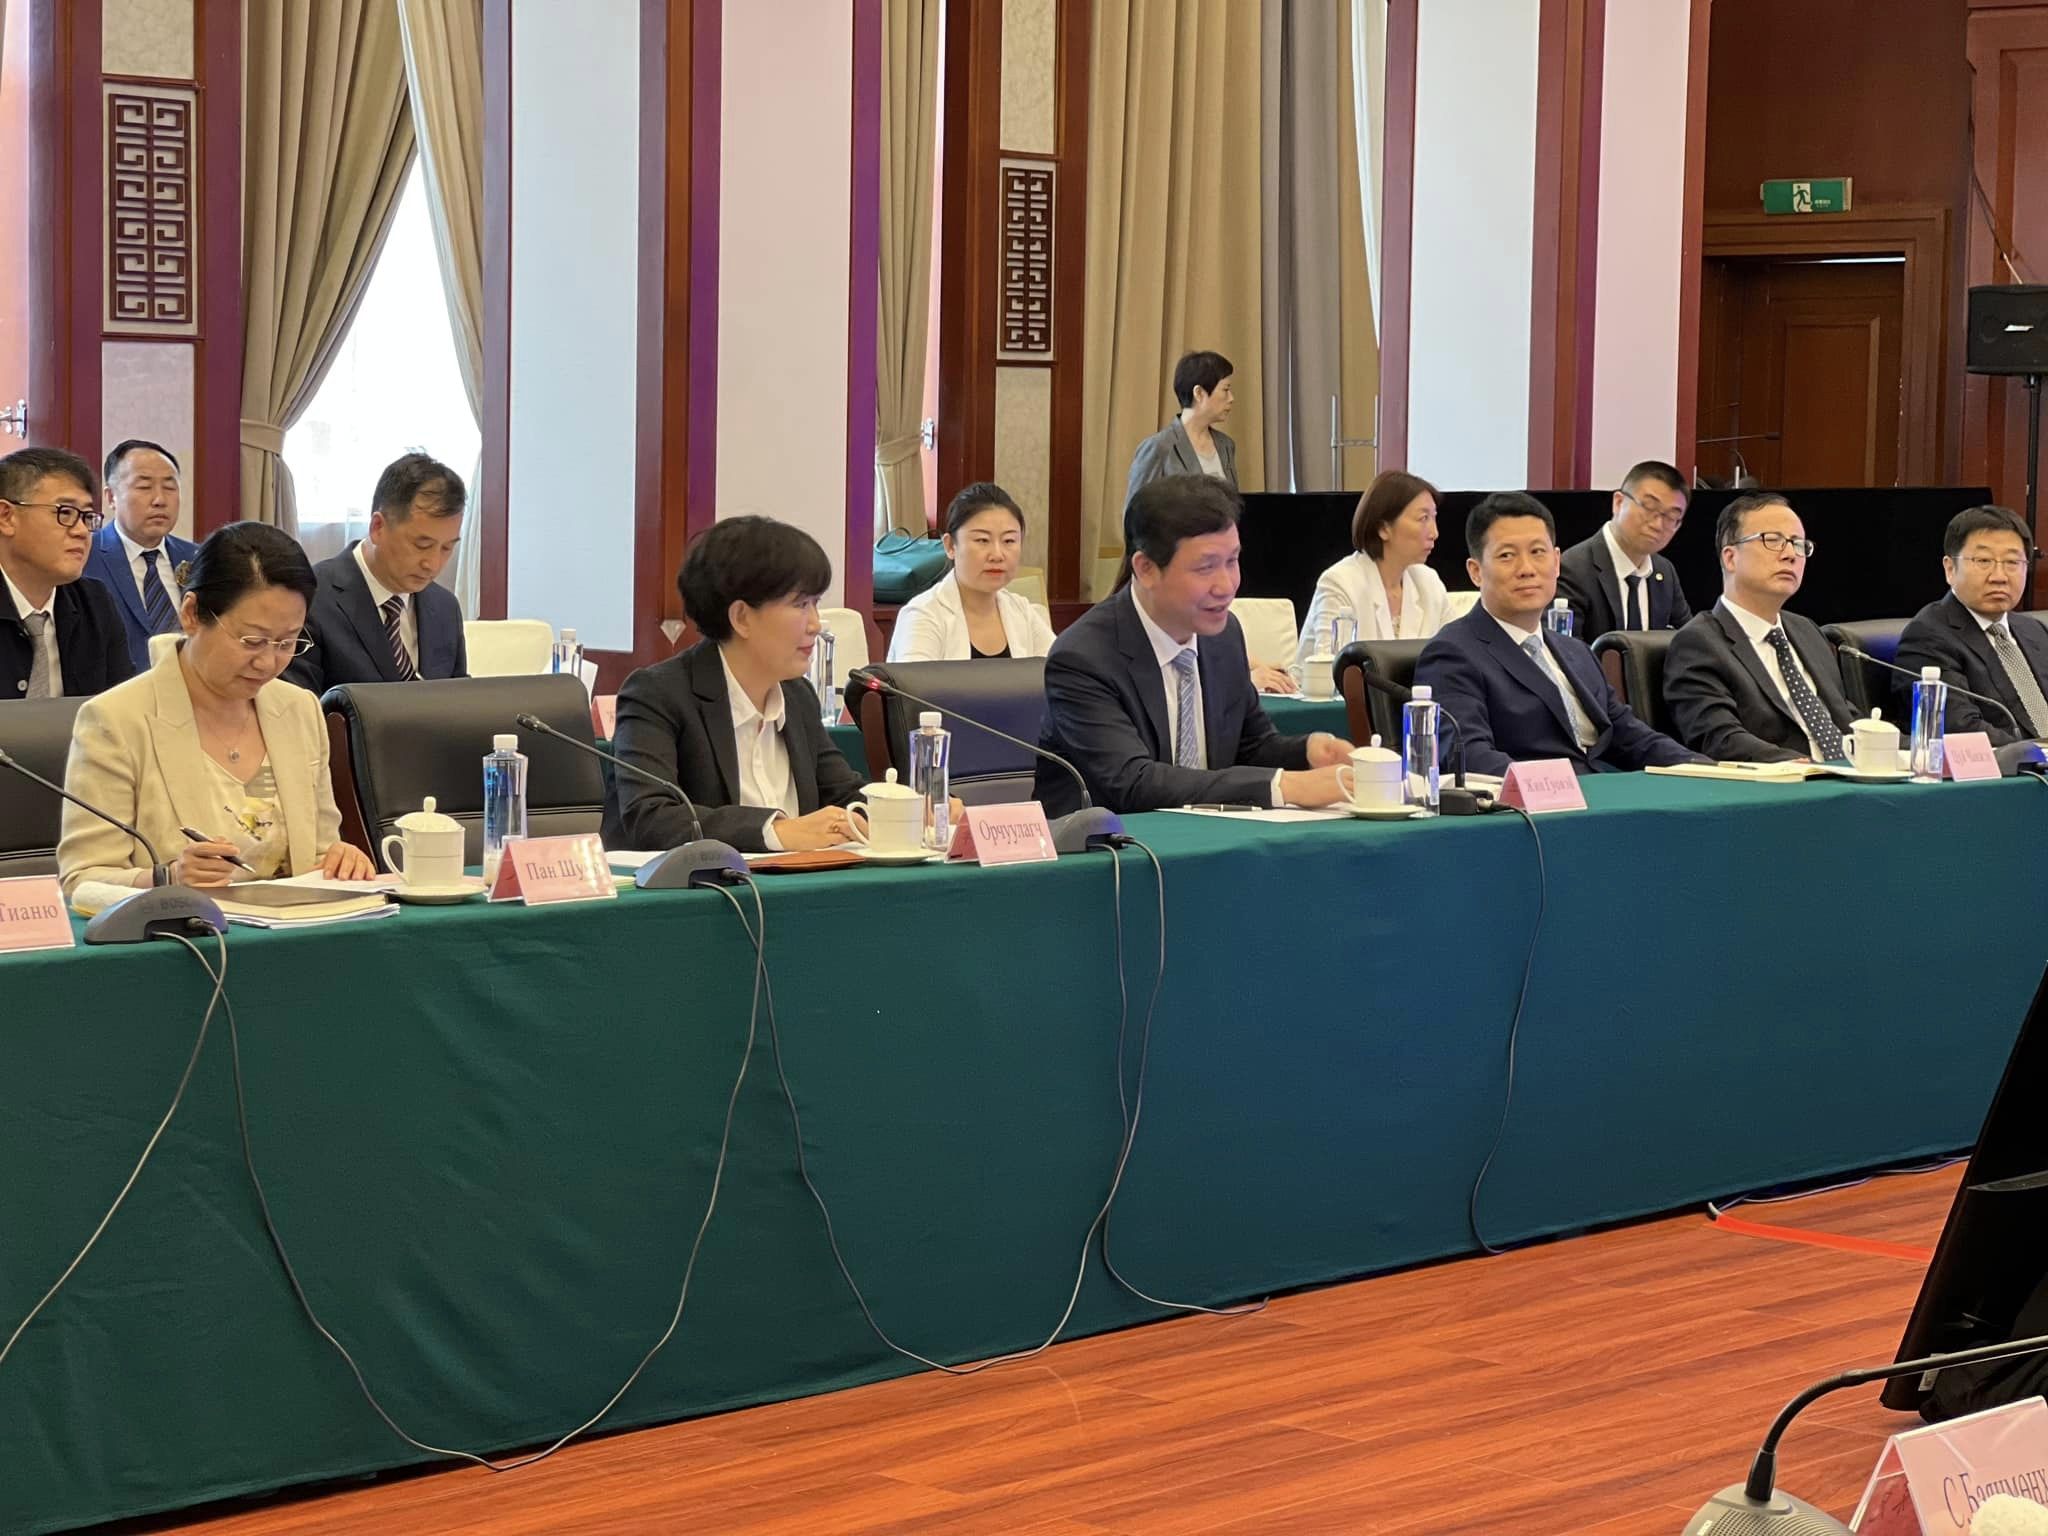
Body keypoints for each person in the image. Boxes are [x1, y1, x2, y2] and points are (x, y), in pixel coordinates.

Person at [57, 522, 375, 896]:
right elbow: (82, 880)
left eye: (287, 643)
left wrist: (340, 859)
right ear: (192, 614)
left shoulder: (300, 710)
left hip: (292, 927)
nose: (268, 662)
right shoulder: (116, 720)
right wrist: (166, 878)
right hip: (185, 929)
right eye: (252, 641)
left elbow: (319, 852)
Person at [1035, 474, 1352, 817]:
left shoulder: (1224, 636)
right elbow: (1132, 783)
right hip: (1111, 843)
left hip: (1210, 836)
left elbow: (1251, 745)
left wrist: (1307, 752)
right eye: (1205, 567)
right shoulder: (1083, 657)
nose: (1227, 585)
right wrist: (1285, 786)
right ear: (1145, 569)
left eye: (1232, 561)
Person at [604, 516, 869, 853]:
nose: (816, 624)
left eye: (816, 603)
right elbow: (652, 817)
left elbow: (844, 794)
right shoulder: (657, 695)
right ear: (741, 617)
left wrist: (897, 815)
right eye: (801, 604)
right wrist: (775, 831)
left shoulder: (797, 696)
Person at [1415, 492, 1703, 777]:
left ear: (1556, 562)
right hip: (1537, 801)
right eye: (1507, 556)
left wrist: (1706, 769)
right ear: (1476, 571)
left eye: (1537, 552)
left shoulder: (1576, 651)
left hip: (1605, 793)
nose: (1526, 569)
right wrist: (1562, 787)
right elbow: (1469, 756)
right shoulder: (1453, 653)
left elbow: (1629, 735)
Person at [1663, 494, 1855, 763]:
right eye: (1772, 540)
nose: (1790, 554)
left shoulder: (1807, 631)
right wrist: (1810, 768)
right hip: (1786, 780)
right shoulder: (1698, 643)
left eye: (1798, 544)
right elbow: (1721, 739)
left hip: (1847, 774)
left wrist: (1903, 750)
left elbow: (1847, 720)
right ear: (1730, 558)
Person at [284, 452, 469, 694]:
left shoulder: (445, 607)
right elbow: (298, 708)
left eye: (447, 548)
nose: (433, 564)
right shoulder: (310, 598)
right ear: (378, 527)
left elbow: (459, 701)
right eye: (422, 545)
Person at [1896, 505, 2048, 746]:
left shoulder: (2035, 631)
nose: (1999, 576)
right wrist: (2038, 752)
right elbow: (1960, 728)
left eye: (2012, 562)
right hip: (2009, 766)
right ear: (1950, 568)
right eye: (1983, 561)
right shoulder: (1928, 637)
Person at [0, 446, 134, 701]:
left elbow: (122, 709)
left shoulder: (94, 603)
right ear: (6, 517)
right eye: (65, 513)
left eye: (86, 517)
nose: (81, 531)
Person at [887, 482, 1056, 661]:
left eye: (1009, 541)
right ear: (950, 546)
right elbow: (914, 679)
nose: (997, 555)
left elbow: (1060, 671)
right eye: (982, 540)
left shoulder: (1022, 611)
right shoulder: (923, 615)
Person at [1295, 470, 1451, 664]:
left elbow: (1454, 655)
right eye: (1423, 518)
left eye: (1434, 517)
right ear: (1383, 528)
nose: (1434, 533)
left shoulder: (1429, 582)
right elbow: (1331, 667)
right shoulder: (1339, 583)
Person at [83, 438, 199, 671]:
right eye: (144, 487)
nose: (160, 500)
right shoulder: (84, 556)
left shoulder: (199, 557)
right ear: (111, 497)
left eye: (170, 487)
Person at [1555, 460, 1695, 639]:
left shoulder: (1664, 571)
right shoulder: (1573, 568)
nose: (1658, 524)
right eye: (1649, 507)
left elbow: (1688, 643)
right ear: (1618, 502)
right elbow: (1565, 650)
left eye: (1672, 516)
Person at [1124, 350, 1239, 503]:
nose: (1231, 398)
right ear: (1199, 393)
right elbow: (1135, 512)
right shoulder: (1158, 448)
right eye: (1225, 390)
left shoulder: (1226, 445)